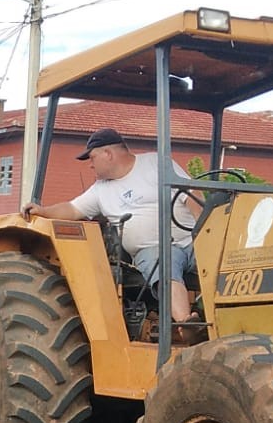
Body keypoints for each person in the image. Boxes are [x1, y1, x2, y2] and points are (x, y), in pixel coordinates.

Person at [22, 127, 199, 324]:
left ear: (108, 153)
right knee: (164, 269)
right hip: (154, 250)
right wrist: (43, 211)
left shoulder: (155, 164)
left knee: (228, 264)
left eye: (92, 158)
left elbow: (191, 197)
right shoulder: (100, 190)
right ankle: (186, 324)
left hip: (192, 241)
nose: (90, 165)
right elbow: (72, 209)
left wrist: (207, 232)